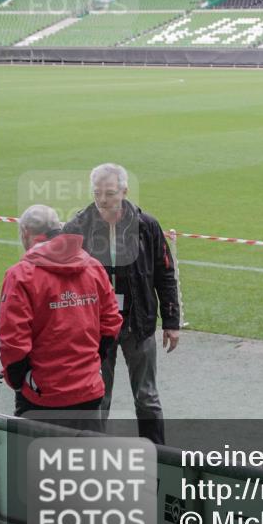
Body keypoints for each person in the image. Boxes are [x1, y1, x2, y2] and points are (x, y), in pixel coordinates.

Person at [63, 164, 180, 444]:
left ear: (125, 191)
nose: (103, 199)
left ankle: (156, 456)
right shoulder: (77, 226)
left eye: (110, 193)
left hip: (137, 323)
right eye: (97, 193)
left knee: (147, 398)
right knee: (97, 396)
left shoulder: (147, 225)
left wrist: (172, 321)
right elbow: (60, 277)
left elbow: (165, 274)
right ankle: (94, 457)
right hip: (95, 327)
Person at [0, 205, 122, 432]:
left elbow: (12, 340)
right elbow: (111, 323)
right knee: (87, 464)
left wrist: (21, 380)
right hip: (88, 390)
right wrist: (92, 363)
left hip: (42, 396)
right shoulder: (93, 267)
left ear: (25, 233)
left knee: (38, 465)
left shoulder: (21, 275)